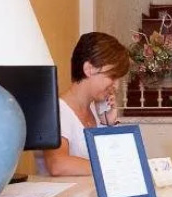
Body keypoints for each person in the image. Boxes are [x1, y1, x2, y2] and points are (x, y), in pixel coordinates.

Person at [38, 32, 130, 176]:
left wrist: (108, 124)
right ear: (89, 69)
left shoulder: (96, 110)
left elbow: (116, 160)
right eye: (112, 76)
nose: (116, 86)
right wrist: (112, 166)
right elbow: (58, 165)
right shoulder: (56, 111)